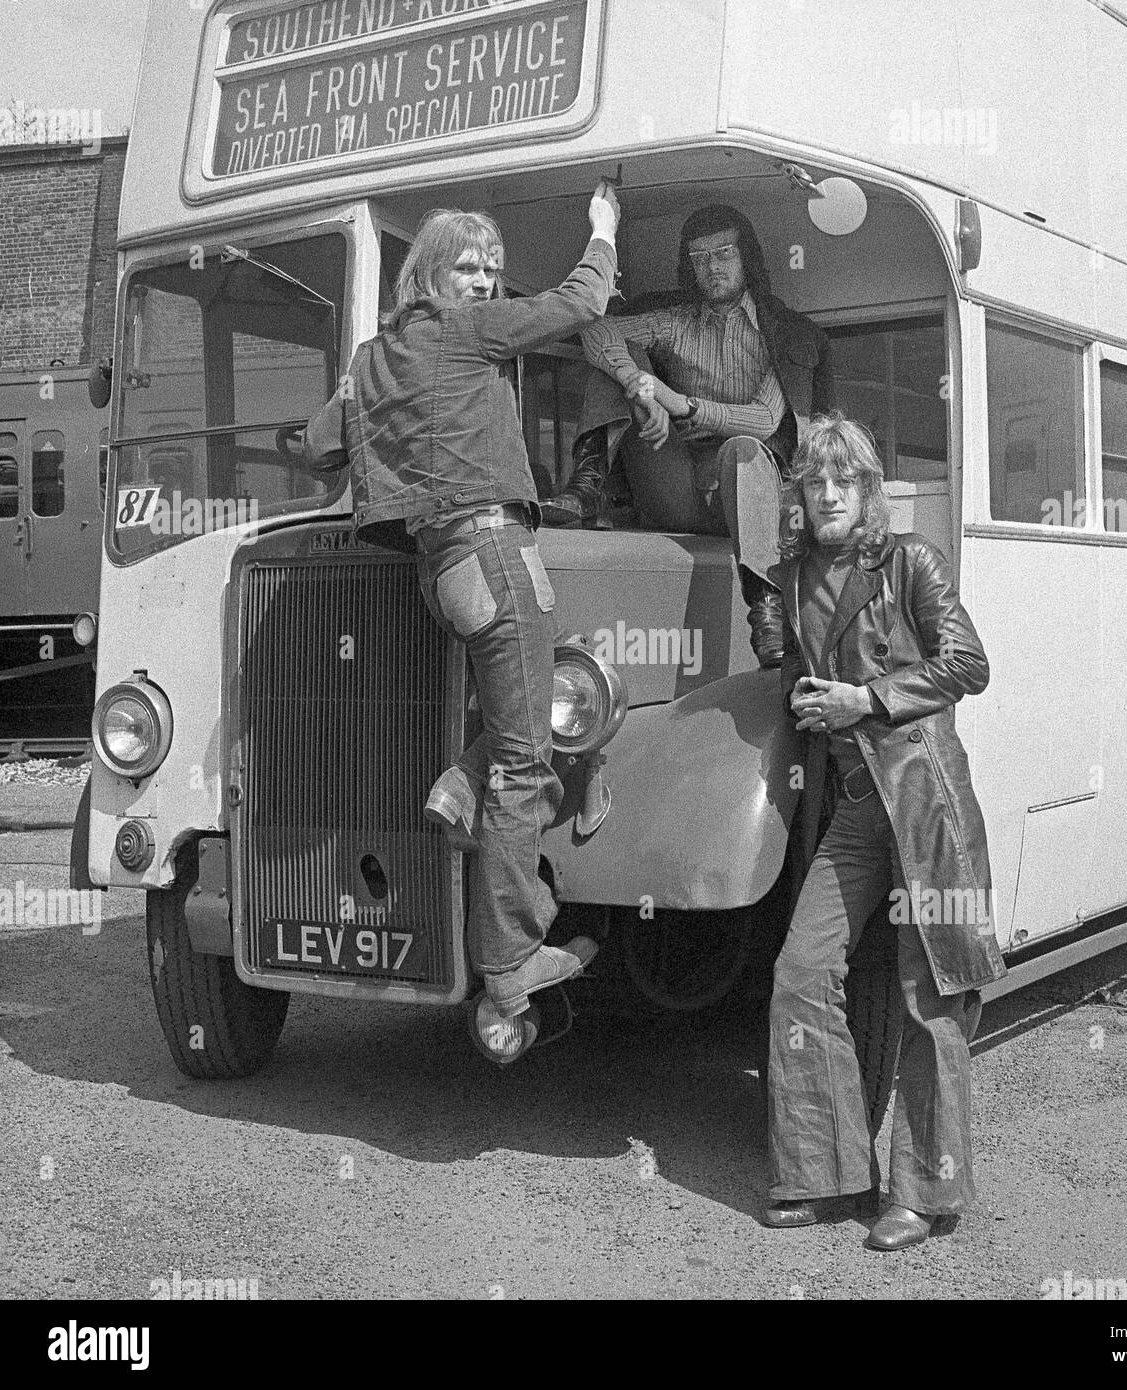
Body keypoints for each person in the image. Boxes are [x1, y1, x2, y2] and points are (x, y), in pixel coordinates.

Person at [302, 183, 622, 1024]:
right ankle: (510, 959)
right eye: (468, 268)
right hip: (492, 548)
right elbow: (582, 302)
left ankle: (456, 784)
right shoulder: (466, 331)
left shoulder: (374, 357)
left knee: (529, 707)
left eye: (492, 271)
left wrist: (347, 390)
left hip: (439, 574)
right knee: (528, 757)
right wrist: (602, 229)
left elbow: (316, 453)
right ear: (430, 275)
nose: (484, 283)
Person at [764, 412, 1006, 1249]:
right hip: (859, 810)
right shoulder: (792, 575)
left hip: (925, 801)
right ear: (799, 493)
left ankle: (922, 1194)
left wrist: (865, 700)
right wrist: (796, 680)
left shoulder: (910, 561)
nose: (828, 493)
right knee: (800, 970)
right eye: (814, 481)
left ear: (868, 492)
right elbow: (802, 671)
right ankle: (826, 1173)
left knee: (930, 992)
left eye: (845, 481)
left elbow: (968, 663)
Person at [544, 204, 834, 668]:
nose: (712, 267)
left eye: (723, 253)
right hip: (675, 481)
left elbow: (764, 420)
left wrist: (684, 404)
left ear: (747, 258)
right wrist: (641, 390)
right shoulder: (676, 320)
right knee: (617, 360)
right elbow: (595, 329)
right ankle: (586, 488)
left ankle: (766, 609)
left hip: (749, 501)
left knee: (742, 450)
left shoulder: (787, 333)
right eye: (700, 258)